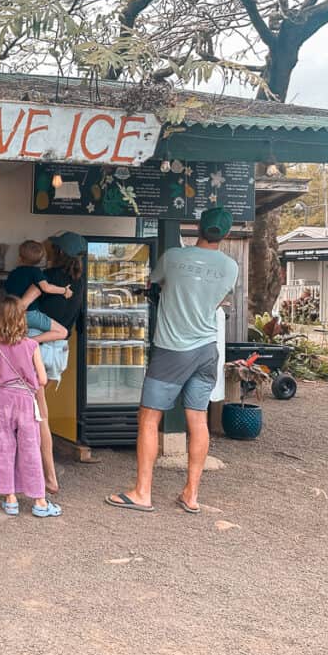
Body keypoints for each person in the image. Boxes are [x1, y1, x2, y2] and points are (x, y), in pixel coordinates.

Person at [107, 208, 238, 514]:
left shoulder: (174, 257)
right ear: (227, 234)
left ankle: (142, 492)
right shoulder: (230, 267)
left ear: (197, 228)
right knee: (198, 418)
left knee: (149, 418)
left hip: (172, 349)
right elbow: (218, 299)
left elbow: (153, 283)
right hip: (207, 350)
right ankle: (191, 494)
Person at [20, 231, 87, 494]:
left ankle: (48, 476)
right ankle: (32, 468)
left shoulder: (46, 279)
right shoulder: (79, 283)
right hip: (59, 351)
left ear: (57, 252)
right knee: (35, 411)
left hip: (38, 348)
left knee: (39, 416)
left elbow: (21, 306)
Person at [0, 296, 62, 518]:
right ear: (21, 319)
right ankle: (39, 501)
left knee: (2, 447)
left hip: (3, 401)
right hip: (26, 401)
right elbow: (43, 380)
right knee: (30, 448)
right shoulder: (32, 345)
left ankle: (10, 500)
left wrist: (2, 377)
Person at [3, 240, 73, 344]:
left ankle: (23, 341)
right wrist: (64, 290)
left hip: (12, 314)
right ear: (39, 261)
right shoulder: (35, 272)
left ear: (20, 257)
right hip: (30, 314)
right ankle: (29, 342)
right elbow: (46, 288)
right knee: (62, 332)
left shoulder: (13, 273)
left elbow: (7, 290)